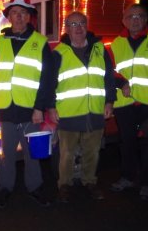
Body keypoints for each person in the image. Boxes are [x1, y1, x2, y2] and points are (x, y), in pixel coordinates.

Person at [0, 0, 54, 208]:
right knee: (6, 154)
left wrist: (39, 107)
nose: (19, 16)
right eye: (15, 12)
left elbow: (47, 78)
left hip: (30, 109)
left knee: (32, 153)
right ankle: (5, 188)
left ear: (29, 17)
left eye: (23, 12)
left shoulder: (40, 42)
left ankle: (35, 188)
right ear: (9, 16)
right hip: (5, 107)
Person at [48, 11, 116, 202]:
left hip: (95, 111)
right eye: (73, 24)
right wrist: (51, 107)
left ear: (87, 26)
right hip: (68, 112)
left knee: (92, 152)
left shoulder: (100, 50)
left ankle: (90, 182)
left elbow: (108, 78)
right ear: (67, 28)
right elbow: (49, 83)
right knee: (67, 154)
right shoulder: (58, 53)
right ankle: (64, 186)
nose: (78, 28)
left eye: (81, 23)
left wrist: (110, 101)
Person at [109, 3, 148, 201]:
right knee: (126, 142)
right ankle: (127, 177)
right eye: (131, 17)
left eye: (139, 16)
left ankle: (147, 183)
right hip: (124, 104)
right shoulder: (115, 44)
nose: (135, 20)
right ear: (123, 20)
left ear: (145, 19)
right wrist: (121, 82)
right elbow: (109, 71)